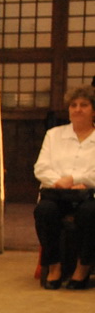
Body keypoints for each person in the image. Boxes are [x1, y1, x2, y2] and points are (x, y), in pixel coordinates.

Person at [33, 86, 95, 289]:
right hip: (56, 193)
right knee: (44, 211)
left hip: (89, 195)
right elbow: (41, 168)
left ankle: (83, 267)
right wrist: (61, 183)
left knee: (90, 213)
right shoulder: (54, 135)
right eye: (73, 105)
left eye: (84, 105)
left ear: (93, 110)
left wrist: (76, 178)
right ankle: (54, 266)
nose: (77, 109)